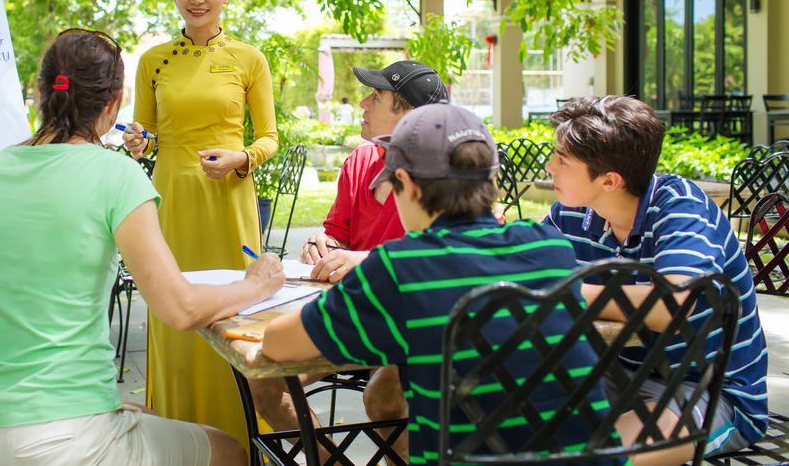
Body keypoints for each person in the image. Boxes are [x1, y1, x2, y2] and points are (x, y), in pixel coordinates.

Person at [0, 29, 285, 465]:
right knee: (231, 452)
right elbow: (180, 308)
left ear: (41, 91)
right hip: (64, 440)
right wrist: (256, 286)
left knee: (143, 419)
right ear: (114, 102)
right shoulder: (116, 175)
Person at [261, 101, 625, 465]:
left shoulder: (398, 268)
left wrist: (257, 287)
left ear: (406, 184)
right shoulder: (550, 247)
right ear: (493, 181)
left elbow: (278, 344)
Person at [544, 95, 768, 463]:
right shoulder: (572, 214)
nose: (550, 166)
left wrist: (572, 290)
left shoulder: (681, 208)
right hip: (617, 375)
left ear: (610, 180)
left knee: (593, 458)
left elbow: (671, 303)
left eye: (563, 160)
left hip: (705, 393)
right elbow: (532, 273)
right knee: (503, 425)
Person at [249, 60, 448, 457]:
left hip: (409, 327)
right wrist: (323, 244)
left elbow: (451, 255)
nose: (362, 102)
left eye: (376, 96)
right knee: (263, 380)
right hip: (350, 320)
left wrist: (368, 261)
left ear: (408, 114)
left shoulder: (446, 175)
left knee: (386, 395)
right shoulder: (360, 162)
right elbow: (336, 233)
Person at [123, 0, 278, 446]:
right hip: (169, 196)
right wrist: (138, 140)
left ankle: (240, 433)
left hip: (229, 201)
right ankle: (179, 435)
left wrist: (242, 158)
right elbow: (146, 132)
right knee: (172, 305)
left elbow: (269, 139)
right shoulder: (152, 60)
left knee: (237, 310)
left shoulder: (249, 59)